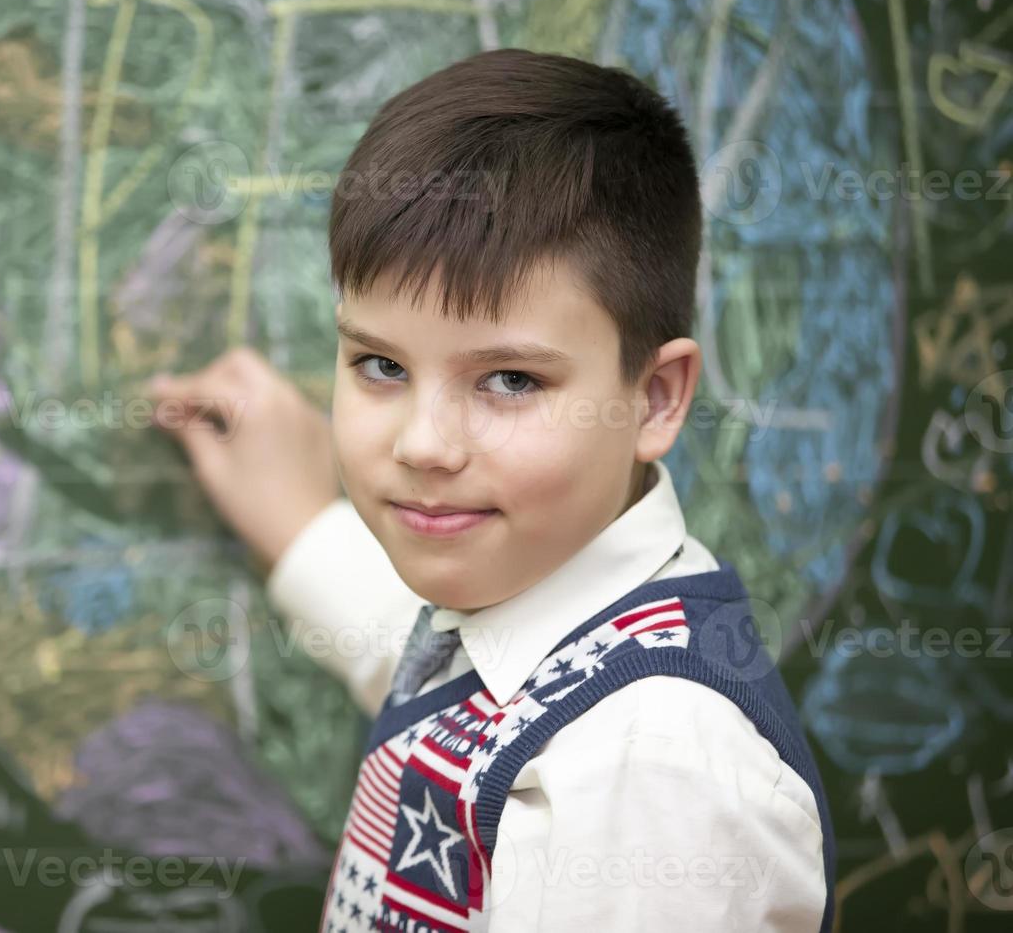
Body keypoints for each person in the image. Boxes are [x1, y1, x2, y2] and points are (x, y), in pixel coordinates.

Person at [141, 48, 833, 932]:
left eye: (509, 381)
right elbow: (430, 659)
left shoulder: (648, 771)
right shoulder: (533, 615)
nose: (424, 444)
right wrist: (300, 521)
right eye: (380, 365)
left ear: (654, 399)